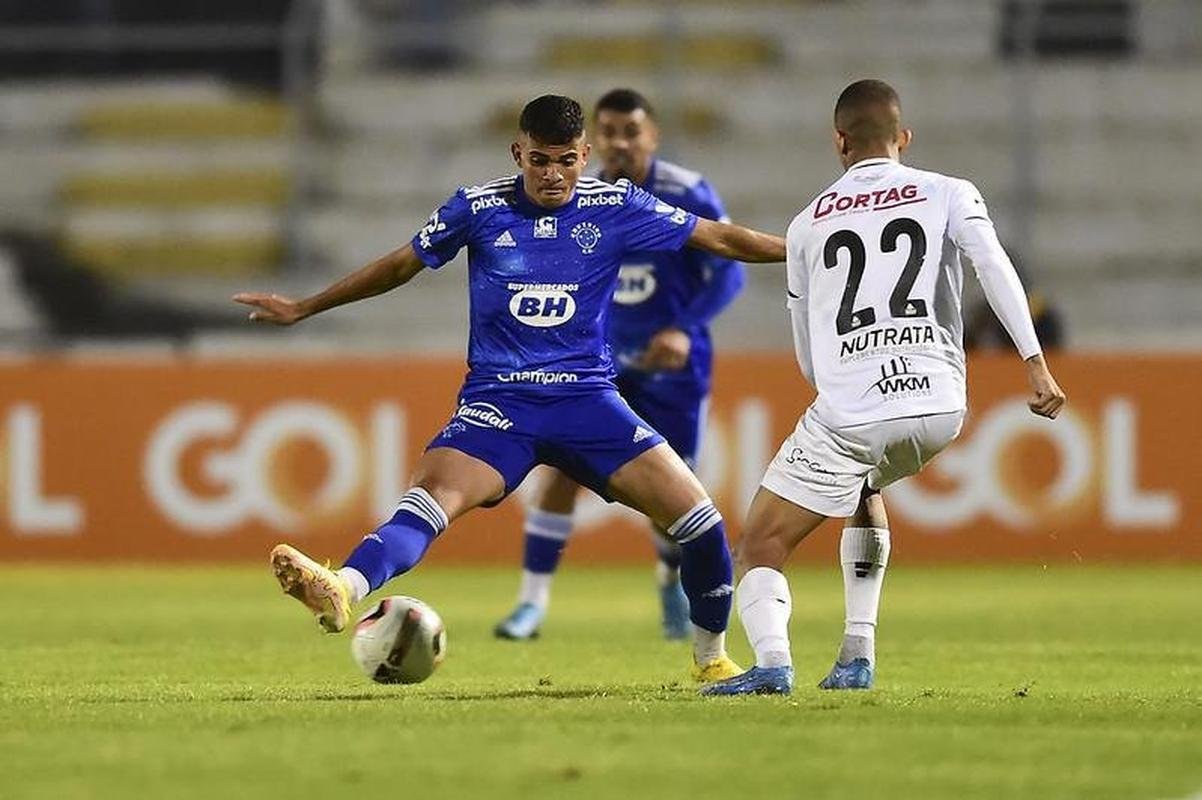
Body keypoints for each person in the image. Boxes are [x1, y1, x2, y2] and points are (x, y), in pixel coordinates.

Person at [233, 94, 786, 682]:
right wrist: (306, 306)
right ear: (517, 152)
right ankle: (341, 586)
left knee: (700, 524)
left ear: (585, 155)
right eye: (540, 160)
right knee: (427, 503)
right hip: (498, 403)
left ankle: (712, 661)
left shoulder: (619, 205)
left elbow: (721, 240)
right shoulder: (477, 207)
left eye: (567, 161)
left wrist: (805, 248)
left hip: (587, 401)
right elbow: (400, 265)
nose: (552, 174)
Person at [701, 79, 1067, 696]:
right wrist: (1035, 362)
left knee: (761, 539)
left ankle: (770, 664)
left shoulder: (808, 224)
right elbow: (993, 265)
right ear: (902, 138)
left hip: (853, 408)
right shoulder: (949, 191)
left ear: (839, 142)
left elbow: (809, 354)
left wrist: (847, 386)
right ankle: (856, 654)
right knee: (867, 481)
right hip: (940, 406)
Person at [493, 88, 745, 642]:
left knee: (671, 499)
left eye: (631, 132)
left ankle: (670, 579)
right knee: (561, 473)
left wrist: (684, 326)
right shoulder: (574, 195)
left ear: (652, 136)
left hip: (671, 368)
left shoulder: (685, 191)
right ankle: (531, 604)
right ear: (593, 141)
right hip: (595, 365)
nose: (620, 143)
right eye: (608, 132)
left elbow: (729, 272)